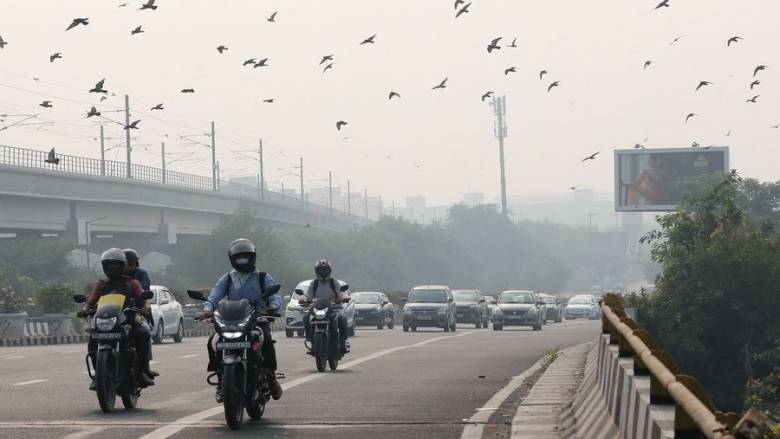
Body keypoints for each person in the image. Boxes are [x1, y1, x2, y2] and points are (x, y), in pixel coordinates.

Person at [196, 238, 283, 403]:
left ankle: (271, 377)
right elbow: (215, 295)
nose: (242, 260)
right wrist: (207, 310)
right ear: (232, 259)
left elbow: (275, 296)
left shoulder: (263, 277)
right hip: (231, 320)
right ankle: (221, 380)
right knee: (212, 342)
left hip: (257, 319)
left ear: (253, 257)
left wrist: (273, 307)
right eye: (238, 257)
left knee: (266, 340)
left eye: (246, 257)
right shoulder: (227, 278)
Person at [77, 248, 155, 388]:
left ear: (122, 266)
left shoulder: (132, 282)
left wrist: (145, 306)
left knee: (143, 334)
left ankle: (142, 371)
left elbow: (142, 296)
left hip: (128, 318)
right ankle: (97, 374)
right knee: (92, 339)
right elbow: (91, 300)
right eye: (109, 265)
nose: (112, 268)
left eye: (116, 265)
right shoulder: (101, 284)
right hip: (106, 319)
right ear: (105, 267)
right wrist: (85, 309)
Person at [302, 260, 350, 354]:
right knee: (306, 317)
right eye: (321, 270)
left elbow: (341, 293)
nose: (323, 273)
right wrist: (304, 300)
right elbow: (308, 296)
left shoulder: (334, 282)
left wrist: (345, 297)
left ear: (329, 271)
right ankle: (311, 341)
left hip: (335, 308)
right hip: (317, 308)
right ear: (317, 271)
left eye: (325, 270)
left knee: (343, 318)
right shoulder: (314, 283)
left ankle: (343, 342)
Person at [123, 249, 158, 378]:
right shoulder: (112, 278)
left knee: (145, 331)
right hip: (118, 312)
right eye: (125, 263)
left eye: (131, 264)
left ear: (135, 264)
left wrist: (144, 304)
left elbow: (143, 291)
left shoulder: (141, 275)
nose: (128, 267)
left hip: (137, 311)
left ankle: (145, 366)